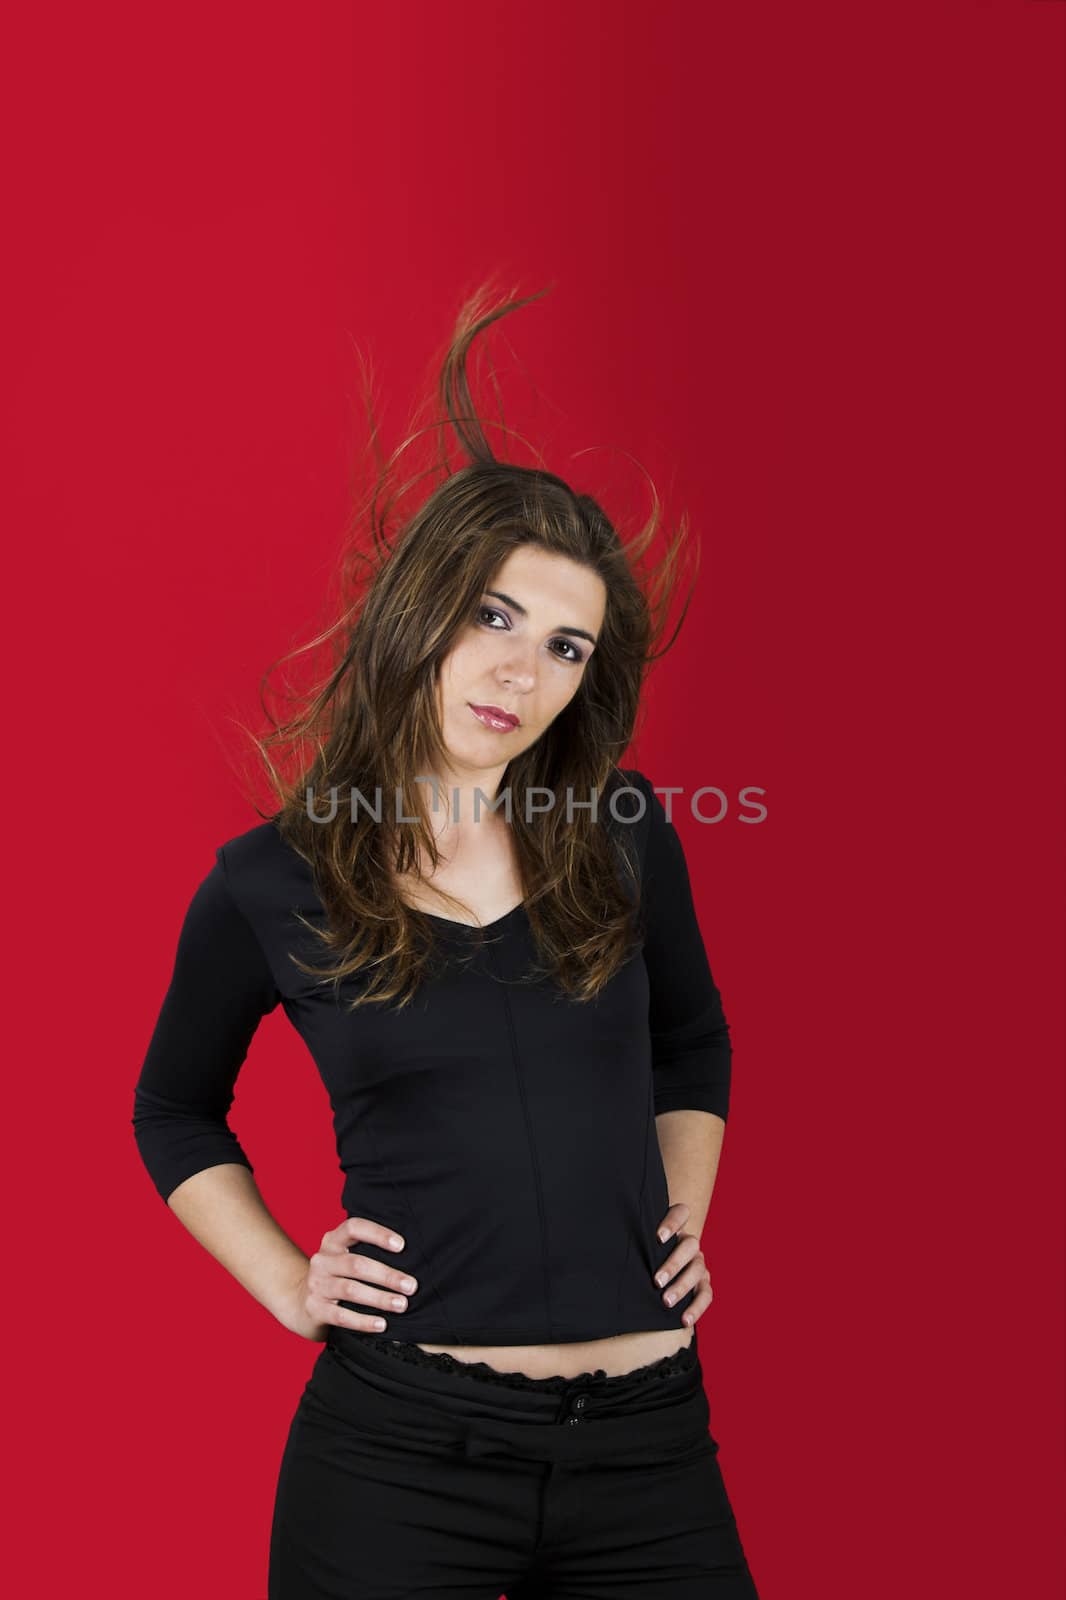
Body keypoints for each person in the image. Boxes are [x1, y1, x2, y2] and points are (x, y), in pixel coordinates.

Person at [132, 282, 761, 1598]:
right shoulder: (268, 882)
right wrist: (289, 1281)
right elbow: (173, 1110)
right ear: (423, 614)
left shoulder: (626, 832)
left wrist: (679, 1207)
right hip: (399, 1455)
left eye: (563, 646)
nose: (517, 675)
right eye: (491, 618)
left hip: (648, 1448)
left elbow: (690, 1039)